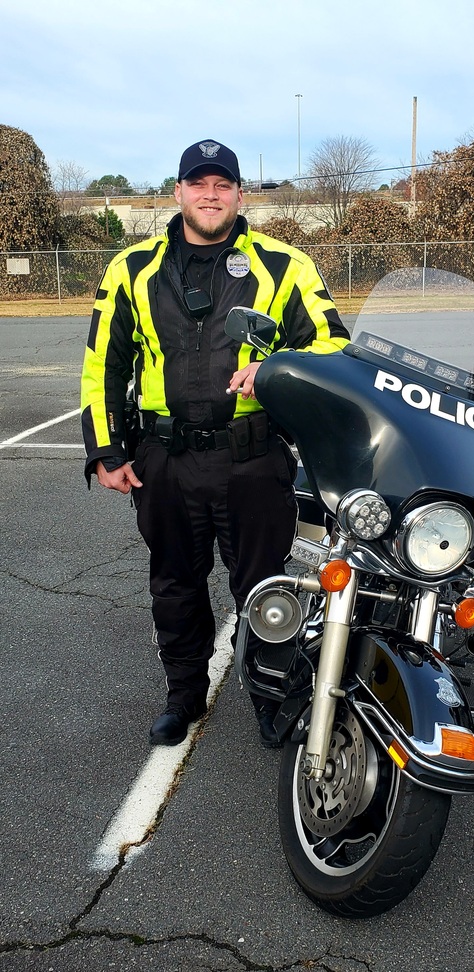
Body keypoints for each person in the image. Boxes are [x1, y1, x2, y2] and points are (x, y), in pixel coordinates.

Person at [80, 138, 349, 748]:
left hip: (251, 459)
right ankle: (183, 695)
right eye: (198, 184)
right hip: (165, 462)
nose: (210, 195)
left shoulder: (285, 265)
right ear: (177, 192)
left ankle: (270, 696)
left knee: (264, 588)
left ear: (239, 195)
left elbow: (334, 345)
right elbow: (102, 364)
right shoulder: (131, 270)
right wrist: (106, 450)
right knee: (175, 584)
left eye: (222, 184)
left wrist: (275, 368)